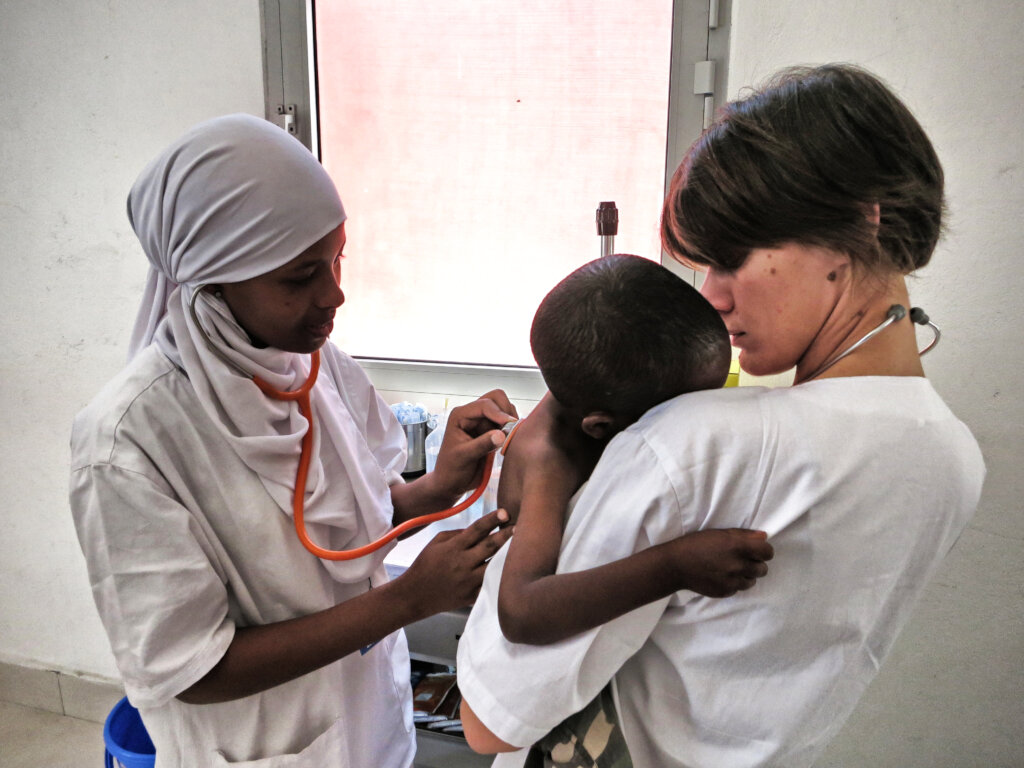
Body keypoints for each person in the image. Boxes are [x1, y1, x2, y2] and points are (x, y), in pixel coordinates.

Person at [457, 63, 985, 768]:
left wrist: (544, 467)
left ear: (857, 227)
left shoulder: (696, 447)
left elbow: (491, 723)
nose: (713, 296)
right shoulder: (954, 458)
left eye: (733, 258)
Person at [69, 114, 516, 767]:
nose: (334, 294)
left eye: (336, 259)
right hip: (263, 746)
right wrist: (409, 600)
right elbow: (193, 671)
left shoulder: (311, 361)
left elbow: (349, 521)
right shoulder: (127, 442)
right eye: (299, 276)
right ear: (215, 275)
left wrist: (435, 487)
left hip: (369, 726)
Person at [492, 253, 776, 767]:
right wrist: (676, 564)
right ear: (601, 427)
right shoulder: (549, 461)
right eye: (681, 416)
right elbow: (521, 609)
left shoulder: (592, 400)